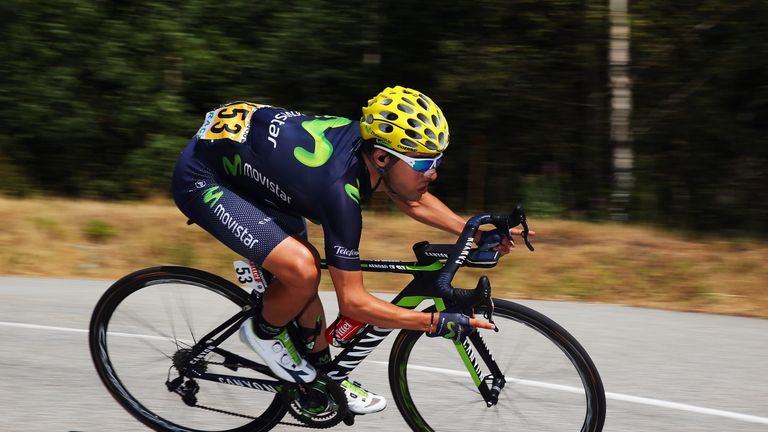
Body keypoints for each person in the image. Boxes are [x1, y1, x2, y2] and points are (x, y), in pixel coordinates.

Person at [171, 86, 517, 415]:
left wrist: (472, 232)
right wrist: (433, 322)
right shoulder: (339, 192)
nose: (434, 173)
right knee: (302, 269)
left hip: (254, 166)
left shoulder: (370, 149)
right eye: (424, 164)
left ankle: (323, 376)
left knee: (300, 274)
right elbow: (353, 302)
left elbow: (410, 196)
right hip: (205, 176)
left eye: (437, 160)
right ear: (381, 156)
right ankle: (264, 331)